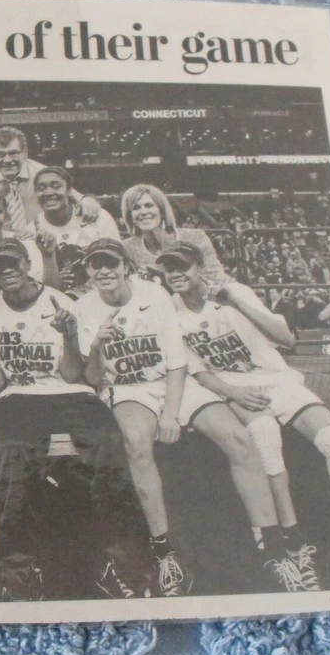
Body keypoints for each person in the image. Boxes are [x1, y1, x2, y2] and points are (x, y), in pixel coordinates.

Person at [76, 239, 314, 595]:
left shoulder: (154, 294)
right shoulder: (84, 307)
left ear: (125, 265)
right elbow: (94, 378)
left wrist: (172, 413)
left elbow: (176, 361)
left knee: (238, 439)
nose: (104, 271)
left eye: (110, 263)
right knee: (138, 444)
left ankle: (272, 547)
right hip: (129, 388)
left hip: (174, 382)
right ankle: (164, 552)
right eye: (95, 265)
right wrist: (97, 345)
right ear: (88, 271)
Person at [161, 242, 330, 582]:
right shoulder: (170, 309)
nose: (175, 274)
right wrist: (233, 393)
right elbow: (196, 369)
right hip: (234, 385)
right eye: (168, 268)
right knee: (264, 437)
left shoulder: (234, 292)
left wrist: (238, 304)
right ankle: (294, 542)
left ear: (199, 267)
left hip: (276, 378)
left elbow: (286, 338)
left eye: (182, 266)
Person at [0, 237, 150, 601]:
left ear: (27, 265)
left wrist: (68, 336)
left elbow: (73, 375)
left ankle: (119, 564)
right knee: (14, 453)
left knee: (107, 444)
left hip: (67, 392)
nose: (8, 271)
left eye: (13, 264)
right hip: (17, 396)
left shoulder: (59, 301)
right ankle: (15, 572)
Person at [0, 126, 102, 234]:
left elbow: (79, 198)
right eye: (0, 154)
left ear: (25, 153)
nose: (7, 160)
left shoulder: (42, 173)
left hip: (40, 239)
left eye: (13, 153)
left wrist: (89, 200)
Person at [32, 166, 120, 295]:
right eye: (41, 188)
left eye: (56, 186)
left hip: (102, 298)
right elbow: (43, 286)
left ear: (69, 190)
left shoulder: (98, 217)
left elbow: (119, 263)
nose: (49, 192)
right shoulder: (33, 230)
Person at [119, 184, 229, 285]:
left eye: (149, 206)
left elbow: (217, 278)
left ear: (161, 211)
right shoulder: (128, 248)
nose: (143, 212)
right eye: (136, 208)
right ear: (130, 217)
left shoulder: (195, 237)